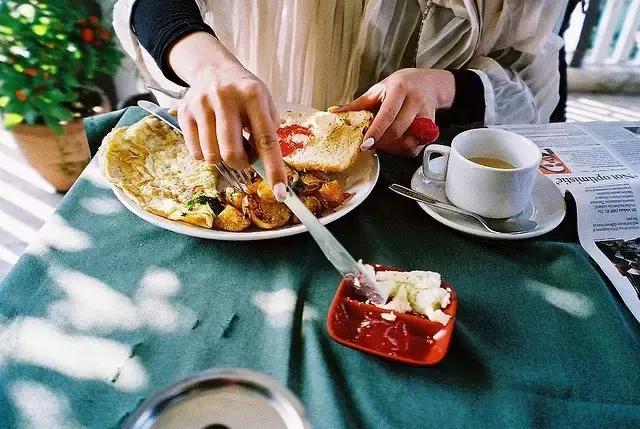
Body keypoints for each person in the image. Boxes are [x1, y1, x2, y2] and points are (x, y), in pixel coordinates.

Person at [113, 0, 566, 201]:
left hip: (414, 183)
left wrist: (443, 89)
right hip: (234, 140)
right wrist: (209, 66)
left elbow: (526, 71)